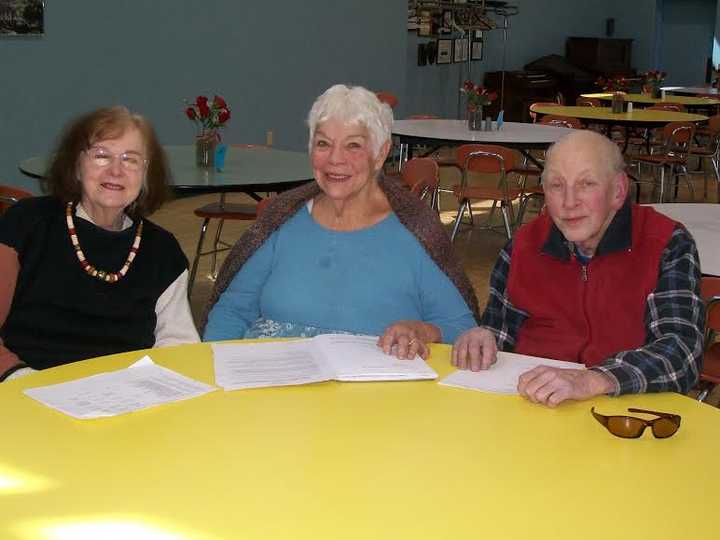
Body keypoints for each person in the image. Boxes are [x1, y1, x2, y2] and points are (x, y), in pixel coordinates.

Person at [203, 84, 478, 359]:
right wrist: (217, 371)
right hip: (272, 387)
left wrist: (423, 331)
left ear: (381, 154)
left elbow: (462, 328)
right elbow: (232, 311)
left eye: (353, 145)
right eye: (323, 143)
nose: (335, 159)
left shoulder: (415, 232)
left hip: (374, 394)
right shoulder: (281, 221)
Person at [452, 130, 704, 406]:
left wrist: (594, 379)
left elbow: (680, 352)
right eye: (557, 185)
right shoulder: (523, 246)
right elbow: (501, 331)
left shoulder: (666, 244)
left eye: (586, 184)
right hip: (531, 408)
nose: (569, 202)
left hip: (623, 414)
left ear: (618, 191)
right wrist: (483, 337)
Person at [0, 106, 199, 382]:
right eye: (102, 156)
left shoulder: (162, 250)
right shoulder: (27, 224)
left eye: (130, 159)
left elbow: (178, 344)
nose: (116, 171)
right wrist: (21, 377)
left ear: (145, 174)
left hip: (124, 398)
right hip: (24, 388)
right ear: (77, 166)